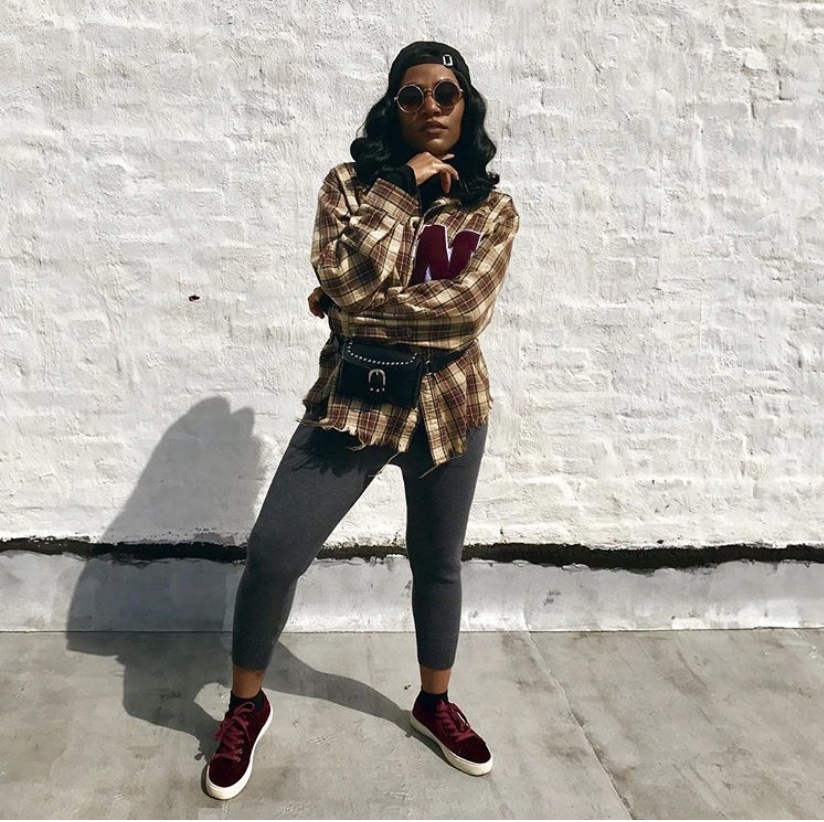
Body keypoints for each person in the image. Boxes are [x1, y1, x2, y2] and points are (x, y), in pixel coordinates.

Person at [205, 40, 519, 800]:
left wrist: (353, 309)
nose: (430, 106)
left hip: (451, 404)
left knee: (437, 561)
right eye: (413, 95)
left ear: (467, 104)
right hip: (355, 399)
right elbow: (340, 276)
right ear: (393, 107)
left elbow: (462, 314)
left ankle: (434, 701)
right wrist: (401, 188)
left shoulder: (493, 207)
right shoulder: (350, 185)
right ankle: (247, 704)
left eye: (446, 92)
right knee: (275, 552)